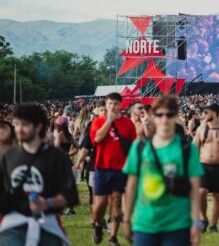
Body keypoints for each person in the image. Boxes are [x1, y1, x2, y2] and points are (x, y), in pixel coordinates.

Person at [122, 96, 204, 246]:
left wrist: (196, 223)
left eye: (169, 114)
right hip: (144, 223)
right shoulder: (139, 147)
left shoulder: (187, 149)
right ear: (153, 115)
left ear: (176, 116)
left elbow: (194, 190)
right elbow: (131, 186)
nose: (164, 119)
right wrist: (126, 219)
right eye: (160, 114)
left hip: (177, 224)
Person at [0, 103, 79, 246]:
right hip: (14, 224)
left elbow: (70, 196)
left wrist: (47, 203)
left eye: (25, 125)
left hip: (47, 224)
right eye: (17, 124)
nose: (19, 129)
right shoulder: (8, 157)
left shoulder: (57, 157)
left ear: (38, 126)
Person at [90, 92, 137, 246]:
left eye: (115, 104)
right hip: (102, 168)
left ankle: (113, 236)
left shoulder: (128, 124)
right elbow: (97, 139)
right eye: (109, 103)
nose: (112, 106)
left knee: (116, 202)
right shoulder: (98, 121)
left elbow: (133, 146)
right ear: (106, 104)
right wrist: (109, 121)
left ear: (120, 104)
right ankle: (97, 224)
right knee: (100, 203)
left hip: (121, 169)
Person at [192, 102, 219, 233]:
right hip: (203, 166)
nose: (204, 115)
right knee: (201, 193)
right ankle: (203, 218)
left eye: (206, 112)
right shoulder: (201, 129)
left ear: (215, 113)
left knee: (217, 196)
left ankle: (213, 224)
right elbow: (195, 148)